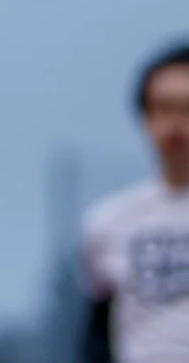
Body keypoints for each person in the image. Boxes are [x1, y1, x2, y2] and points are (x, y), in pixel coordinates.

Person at [82, 43, 189, 363]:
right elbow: (97, 333)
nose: (176, 126)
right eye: (164, 108)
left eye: (187, 109)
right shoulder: (108, 221)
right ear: (145, 117)